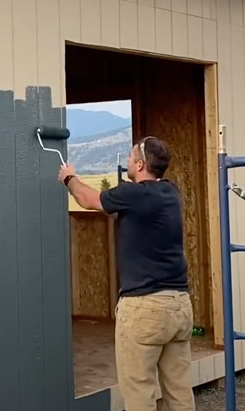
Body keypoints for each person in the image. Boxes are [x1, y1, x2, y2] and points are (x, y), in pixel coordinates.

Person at [58, 135, 194, 411]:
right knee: (179, 392)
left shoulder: (133, 194)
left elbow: (87, 199)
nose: (129, 160)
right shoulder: (170, 192)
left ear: (141, 164)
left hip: (144, 308)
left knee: (139, 393)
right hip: (179, 306)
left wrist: (69, 178)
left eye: (132, 157)